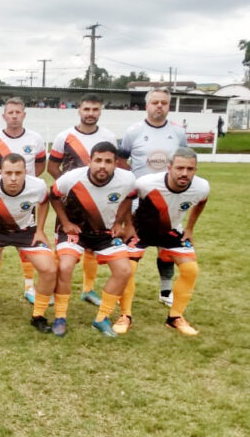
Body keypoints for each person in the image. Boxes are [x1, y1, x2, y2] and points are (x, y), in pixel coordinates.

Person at [50, 142, 135, 337]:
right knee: (65, 266)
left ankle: (101, 318)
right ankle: (60, 317)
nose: (102, 166)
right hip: (75, 230)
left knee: (124, 270)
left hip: (104, 232)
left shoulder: (127, 179)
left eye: (108, 161)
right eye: (98, 160)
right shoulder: (71, 178)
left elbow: (130, 196)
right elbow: (53, 196)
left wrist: (119, 222)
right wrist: (64, 222)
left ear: (116, 163)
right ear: (90, 161)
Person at [121, 147, 209, 336]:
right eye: (179, 168)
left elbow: (202, 201)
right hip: (141, 230)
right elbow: (126, 199)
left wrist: (190, 228)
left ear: (195, 170)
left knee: (191, 270)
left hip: (171, 231)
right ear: (169, 167)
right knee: (127, 268)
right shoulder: (145, 183)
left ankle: (175, 317)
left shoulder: (201, 187)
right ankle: (125, 315)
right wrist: (127, 225)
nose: (184, 173)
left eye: (190, 169)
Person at [0, 154, 56, 331]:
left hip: (26, 233)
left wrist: (40, 230)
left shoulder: (37, 185)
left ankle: (38, 316)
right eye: (8, 173)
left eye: (18, 173)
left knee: (49, 269)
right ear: (0, 172)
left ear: (26, 172)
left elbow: (44, 203)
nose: (13, 178)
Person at [119, 88, 187, 307]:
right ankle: (124, 291)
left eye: (164, 103)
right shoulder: (133, 131)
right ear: (146, 105)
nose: (159, 106)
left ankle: (166, 291)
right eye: (155, 102)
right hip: (141, 202)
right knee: (133, 248)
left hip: (170, 202)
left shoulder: (178, 132)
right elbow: (122, 161)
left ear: (169, 106)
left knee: (165, 248)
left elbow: (183, 161)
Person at [48, 93, 118, 307]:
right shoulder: (64, 137)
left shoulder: (109, 137)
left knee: (92, 245)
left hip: (99, 201)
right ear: (79, 110)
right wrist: (69, 187)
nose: (90, 114)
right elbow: (52, 166)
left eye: (95, 109)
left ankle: (88, 289)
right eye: (86, 109)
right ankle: (52, 289)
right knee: (63, 245)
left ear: (100, 111)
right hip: (70, 205)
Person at [0, 96, 46, 304]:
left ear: (24, 115)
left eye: (18, 112)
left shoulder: (35, 139)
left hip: (25, 199)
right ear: (4, 116)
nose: (14, 116)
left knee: (26, 243)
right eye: (11, 112)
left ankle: (29, 287)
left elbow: (41, 166)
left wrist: (28, 185)